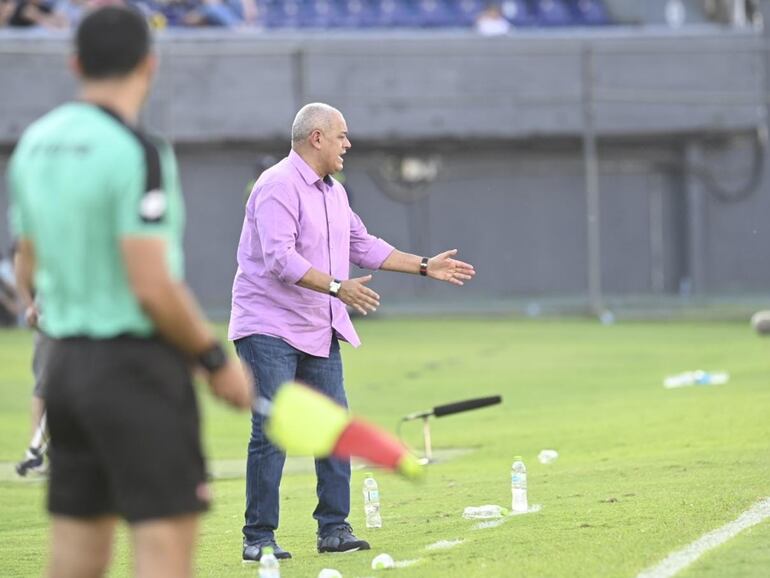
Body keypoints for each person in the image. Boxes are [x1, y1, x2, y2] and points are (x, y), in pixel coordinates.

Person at [7, 6, 252, 578]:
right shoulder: (137, 150)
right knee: (164, 547)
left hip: (63, 367)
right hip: (135, 371)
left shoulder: (36, 144)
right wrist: (214, 361)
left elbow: (26, 267)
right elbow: (151, 285)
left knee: (74, 552)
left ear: (74, 63)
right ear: (149, 64)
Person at [229, 102, 476, 562]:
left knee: (336, 428)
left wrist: (425, 266)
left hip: (317, 325)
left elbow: (362, 244)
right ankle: (258, 537)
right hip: (268, 326)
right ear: (316, 138)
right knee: (272, 431)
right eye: (341, 135)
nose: (348, 143)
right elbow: (281, 261)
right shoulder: (276, 185)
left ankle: (334, 529)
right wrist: (339, 287)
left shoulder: (333, 192)